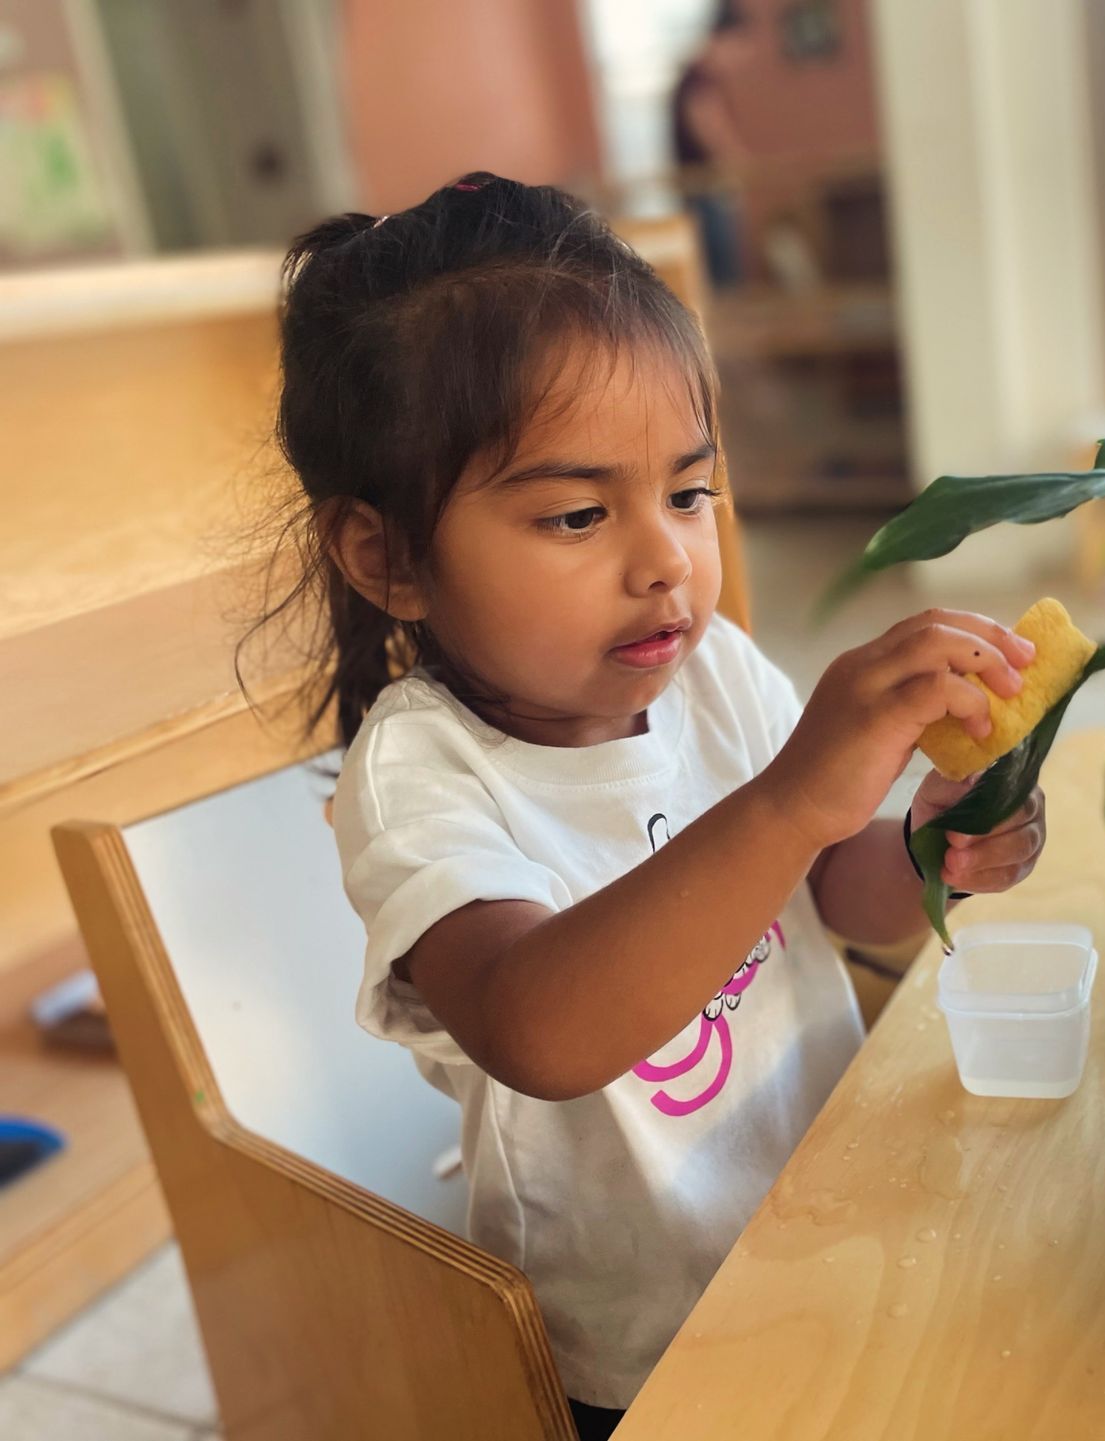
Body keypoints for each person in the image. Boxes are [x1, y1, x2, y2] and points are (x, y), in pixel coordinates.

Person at [257, 172, 1046, 1439]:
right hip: (638, 1339)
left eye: (687, 492)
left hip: (823, 1220)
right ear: (388, 556)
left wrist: (932, 840)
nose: (666, 558)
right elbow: (543, 1031)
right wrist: (793, 797)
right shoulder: (417, 777)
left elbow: (841, 899)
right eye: (577, 512)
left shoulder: (714, 672)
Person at [670, 0, 753, 288]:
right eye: (739, 48)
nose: (740, 61)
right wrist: (740, 167)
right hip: (703, 193)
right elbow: (710, 131)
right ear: (724, 38)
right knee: (722, 280)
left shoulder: (699, 78)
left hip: (706, 193)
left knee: (723, 275)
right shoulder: (699, 80)